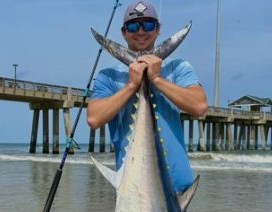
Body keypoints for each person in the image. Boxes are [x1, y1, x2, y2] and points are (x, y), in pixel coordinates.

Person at [87, 0, 208, 193]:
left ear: (158, 29)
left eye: (148, 24)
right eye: (133, 26)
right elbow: (94, 118)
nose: (141, 31)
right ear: (124, 32)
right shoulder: (108, 76)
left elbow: (199, 106)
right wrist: (131, 85)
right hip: (133, 190)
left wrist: (156, 78)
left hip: (178, 190)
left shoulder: (178, 67)